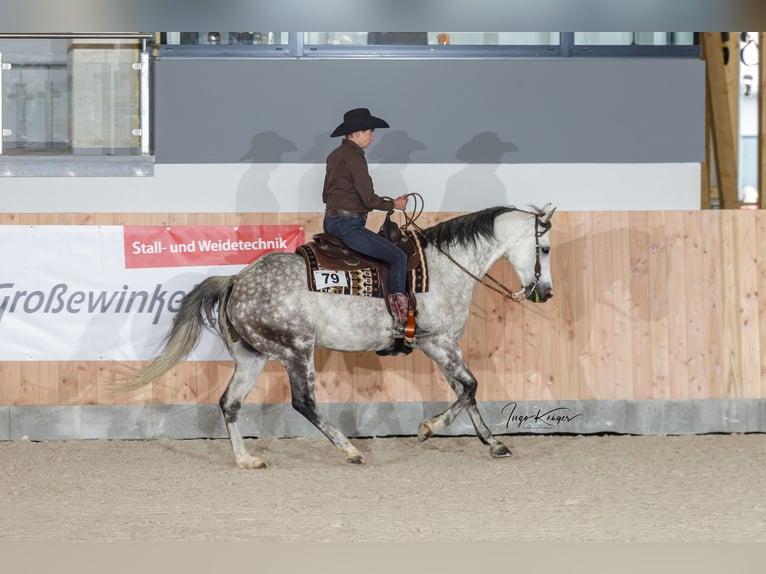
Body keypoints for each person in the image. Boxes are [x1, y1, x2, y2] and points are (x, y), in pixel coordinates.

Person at [322, 107, 410, 336]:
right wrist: (394, 205)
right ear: (358, 133)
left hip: (331, 222)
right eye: (370, 133)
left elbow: (326, 195)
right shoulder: (354, 157)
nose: (372, 139)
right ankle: (400, 320)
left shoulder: (334, 156)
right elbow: (368, 199)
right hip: (348, 226)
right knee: (398, 257)